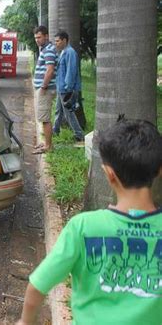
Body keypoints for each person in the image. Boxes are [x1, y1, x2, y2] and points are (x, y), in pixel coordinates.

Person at [17, 118, 162, 325]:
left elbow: (38, 285)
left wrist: (26, 322)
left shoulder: (83, 227)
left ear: (109, 174)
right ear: (159, 170)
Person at [53, 30, 84, 143]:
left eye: (58, 41)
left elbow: (71, 71)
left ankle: (79, 135)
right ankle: (55, 130)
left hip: (67, 89)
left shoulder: (70, 52)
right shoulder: (63, 52)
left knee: (68, 113)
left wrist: (68, 88)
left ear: (64, 40)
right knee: (58, 111)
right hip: (61, 88)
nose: (56, 43)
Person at [32, 26, 57, 154]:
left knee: (45, 119)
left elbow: (50, 70)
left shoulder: (48, 50)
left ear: (46, 36)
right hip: (44, 89)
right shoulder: (46, 49)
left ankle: (48, 146)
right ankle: (46, 142)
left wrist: (43, 87)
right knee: (43, 117)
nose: (37, 40)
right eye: (35, 37)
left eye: (39, 37)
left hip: (45, 90)